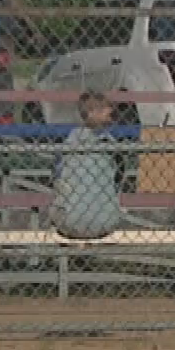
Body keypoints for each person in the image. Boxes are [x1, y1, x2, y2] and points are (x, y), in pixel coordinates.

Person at [51, 91, 126, 240]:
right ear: (91, 113)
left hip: (68, 223)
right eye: (104, 108)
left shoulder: (69, 143)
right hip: (107, 223)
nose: (111, 110)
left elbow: (55, 176)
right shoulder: (110, 145)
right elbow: (120, 175)